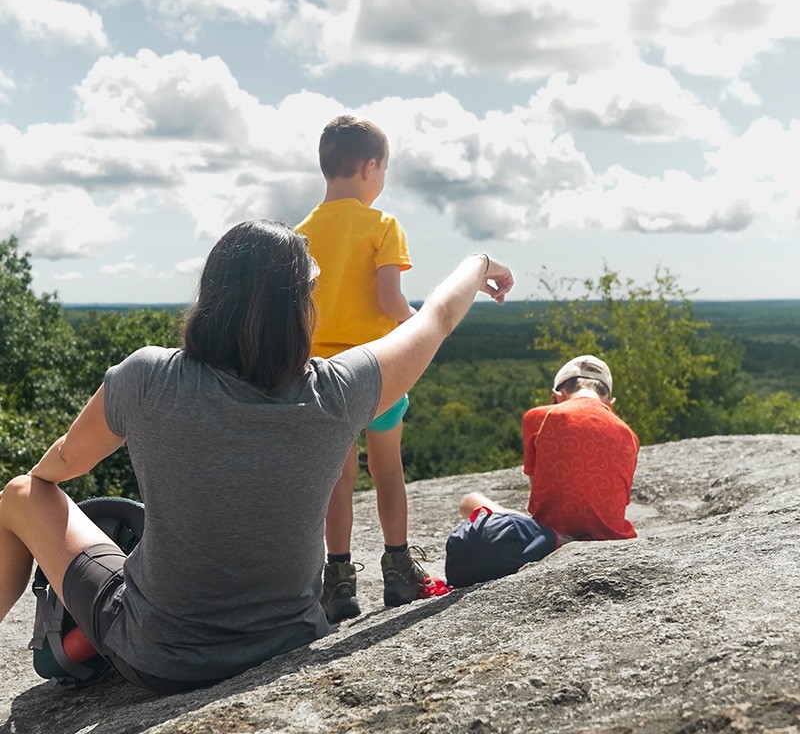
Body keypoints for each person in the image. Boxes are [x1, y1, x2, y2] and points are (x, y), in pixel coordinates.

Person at [0, 220, 512, 693]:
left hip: (157, 660)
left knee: (20, 493)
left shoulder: (147, 378)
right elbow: (437, 318)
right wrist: (481, 263)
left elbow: (65, 461)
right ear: (297, 309)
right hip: (287, 645)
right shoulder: (337, 392)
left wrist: (42, 489)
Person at [295, 114, 422, 623]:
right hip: (377, 369)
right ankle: (398, 573)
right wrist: (425, 328)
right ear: (370, 168)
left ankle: (339, 583)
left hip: (321, 375)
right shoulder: (383, 225)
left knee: (338, 479)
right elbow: (392, 302)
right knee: (387, 468)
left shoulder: (300, 235)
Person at [446, 355, 639, 588]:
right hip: (613, 540)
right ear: (610, 404)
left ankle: (557, 540)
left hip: (548, 537)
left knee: (470, 501)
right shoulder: (629, 435)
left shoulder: (540, 416)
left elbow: (539, 493)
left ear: (557, 397)